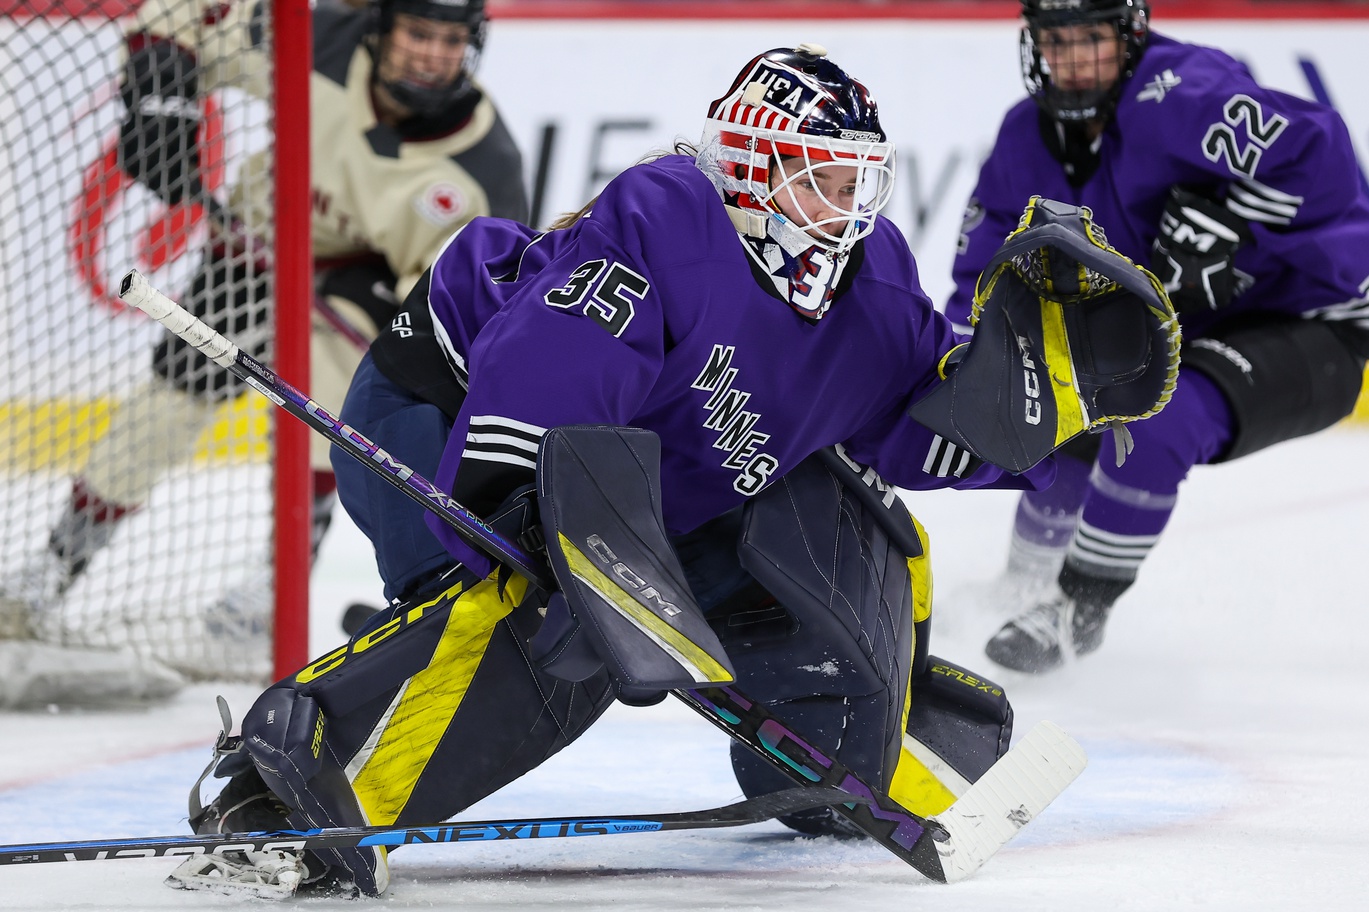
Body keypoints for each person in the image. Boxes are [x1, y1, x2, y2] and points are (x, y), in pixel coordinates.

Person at [164, 45, 1176, 898]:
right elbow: (545, 373)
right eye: (821, 180)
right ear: (751, 165)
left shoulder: (872, 294)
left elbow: (914, 425)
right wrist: (534, 521)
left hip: (650, 466)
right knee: (549, 626)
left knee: (831, 526)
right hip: (441, 406)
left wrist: (1048, 407)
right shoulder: (668, 220)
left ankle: (840, 739)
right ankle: (289, 777)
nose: (848, 208)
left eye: (858, 183)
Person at [0, 0, 527, 647]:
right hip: (251, 250)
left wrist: (382, 297)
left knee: (336, 410)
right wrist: (161, 102)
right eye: (418, 32)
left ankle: (279, 574)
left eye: (451, 40)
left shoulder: (484, 168)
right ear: (382, 27)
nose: (433, 54)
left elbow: (473, 306)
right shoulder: (319, 40)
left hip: (358, 290)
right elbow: (182, 16)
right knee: (166, 409)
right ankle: (58, 560)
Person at [947, 0, 1369, 674]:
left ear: (1130, 33)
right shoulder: (1024, 132)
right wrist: (969, 350)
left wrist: (1233, 222)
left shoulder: (1181, 93)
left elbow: (1317, 153)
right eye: (1055, 40)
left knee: (1152, 426)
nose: (1072, 58)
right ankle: (1021, 581)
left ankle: (1073, 612)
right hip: (1183, 327)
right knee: (1049, 403)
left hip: (1310, 320)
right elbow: (981, 264)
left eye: (1090, 37)